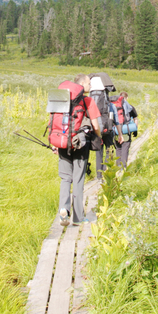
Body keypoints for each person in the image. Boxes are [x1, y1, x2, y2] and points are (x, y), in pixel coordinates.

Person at [49, 74, 101, 226]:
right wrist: (98, 138)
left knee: (65, 178)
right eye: (89, 83)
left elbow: (53, 122)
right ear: (82, 84)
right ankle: (78, 218)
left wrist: (55, 143)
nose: (90, 87)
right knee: (78, 180)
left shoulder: (62, 98)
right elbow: (96, 126)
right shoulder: (88, 101)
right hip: (80, 145)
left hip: (63, 142)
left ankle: (63, 210)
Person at [113, 91, 139, 168]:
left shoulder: (114, 106)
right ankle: (123, 167)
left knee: (118, 149)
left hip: (116, 131)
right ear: (127, 98)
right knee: (125, 148)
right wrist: (135, 129)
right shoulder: (130, 107)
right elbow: (136, 119)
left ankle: (117, 166)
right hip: (126, 131)